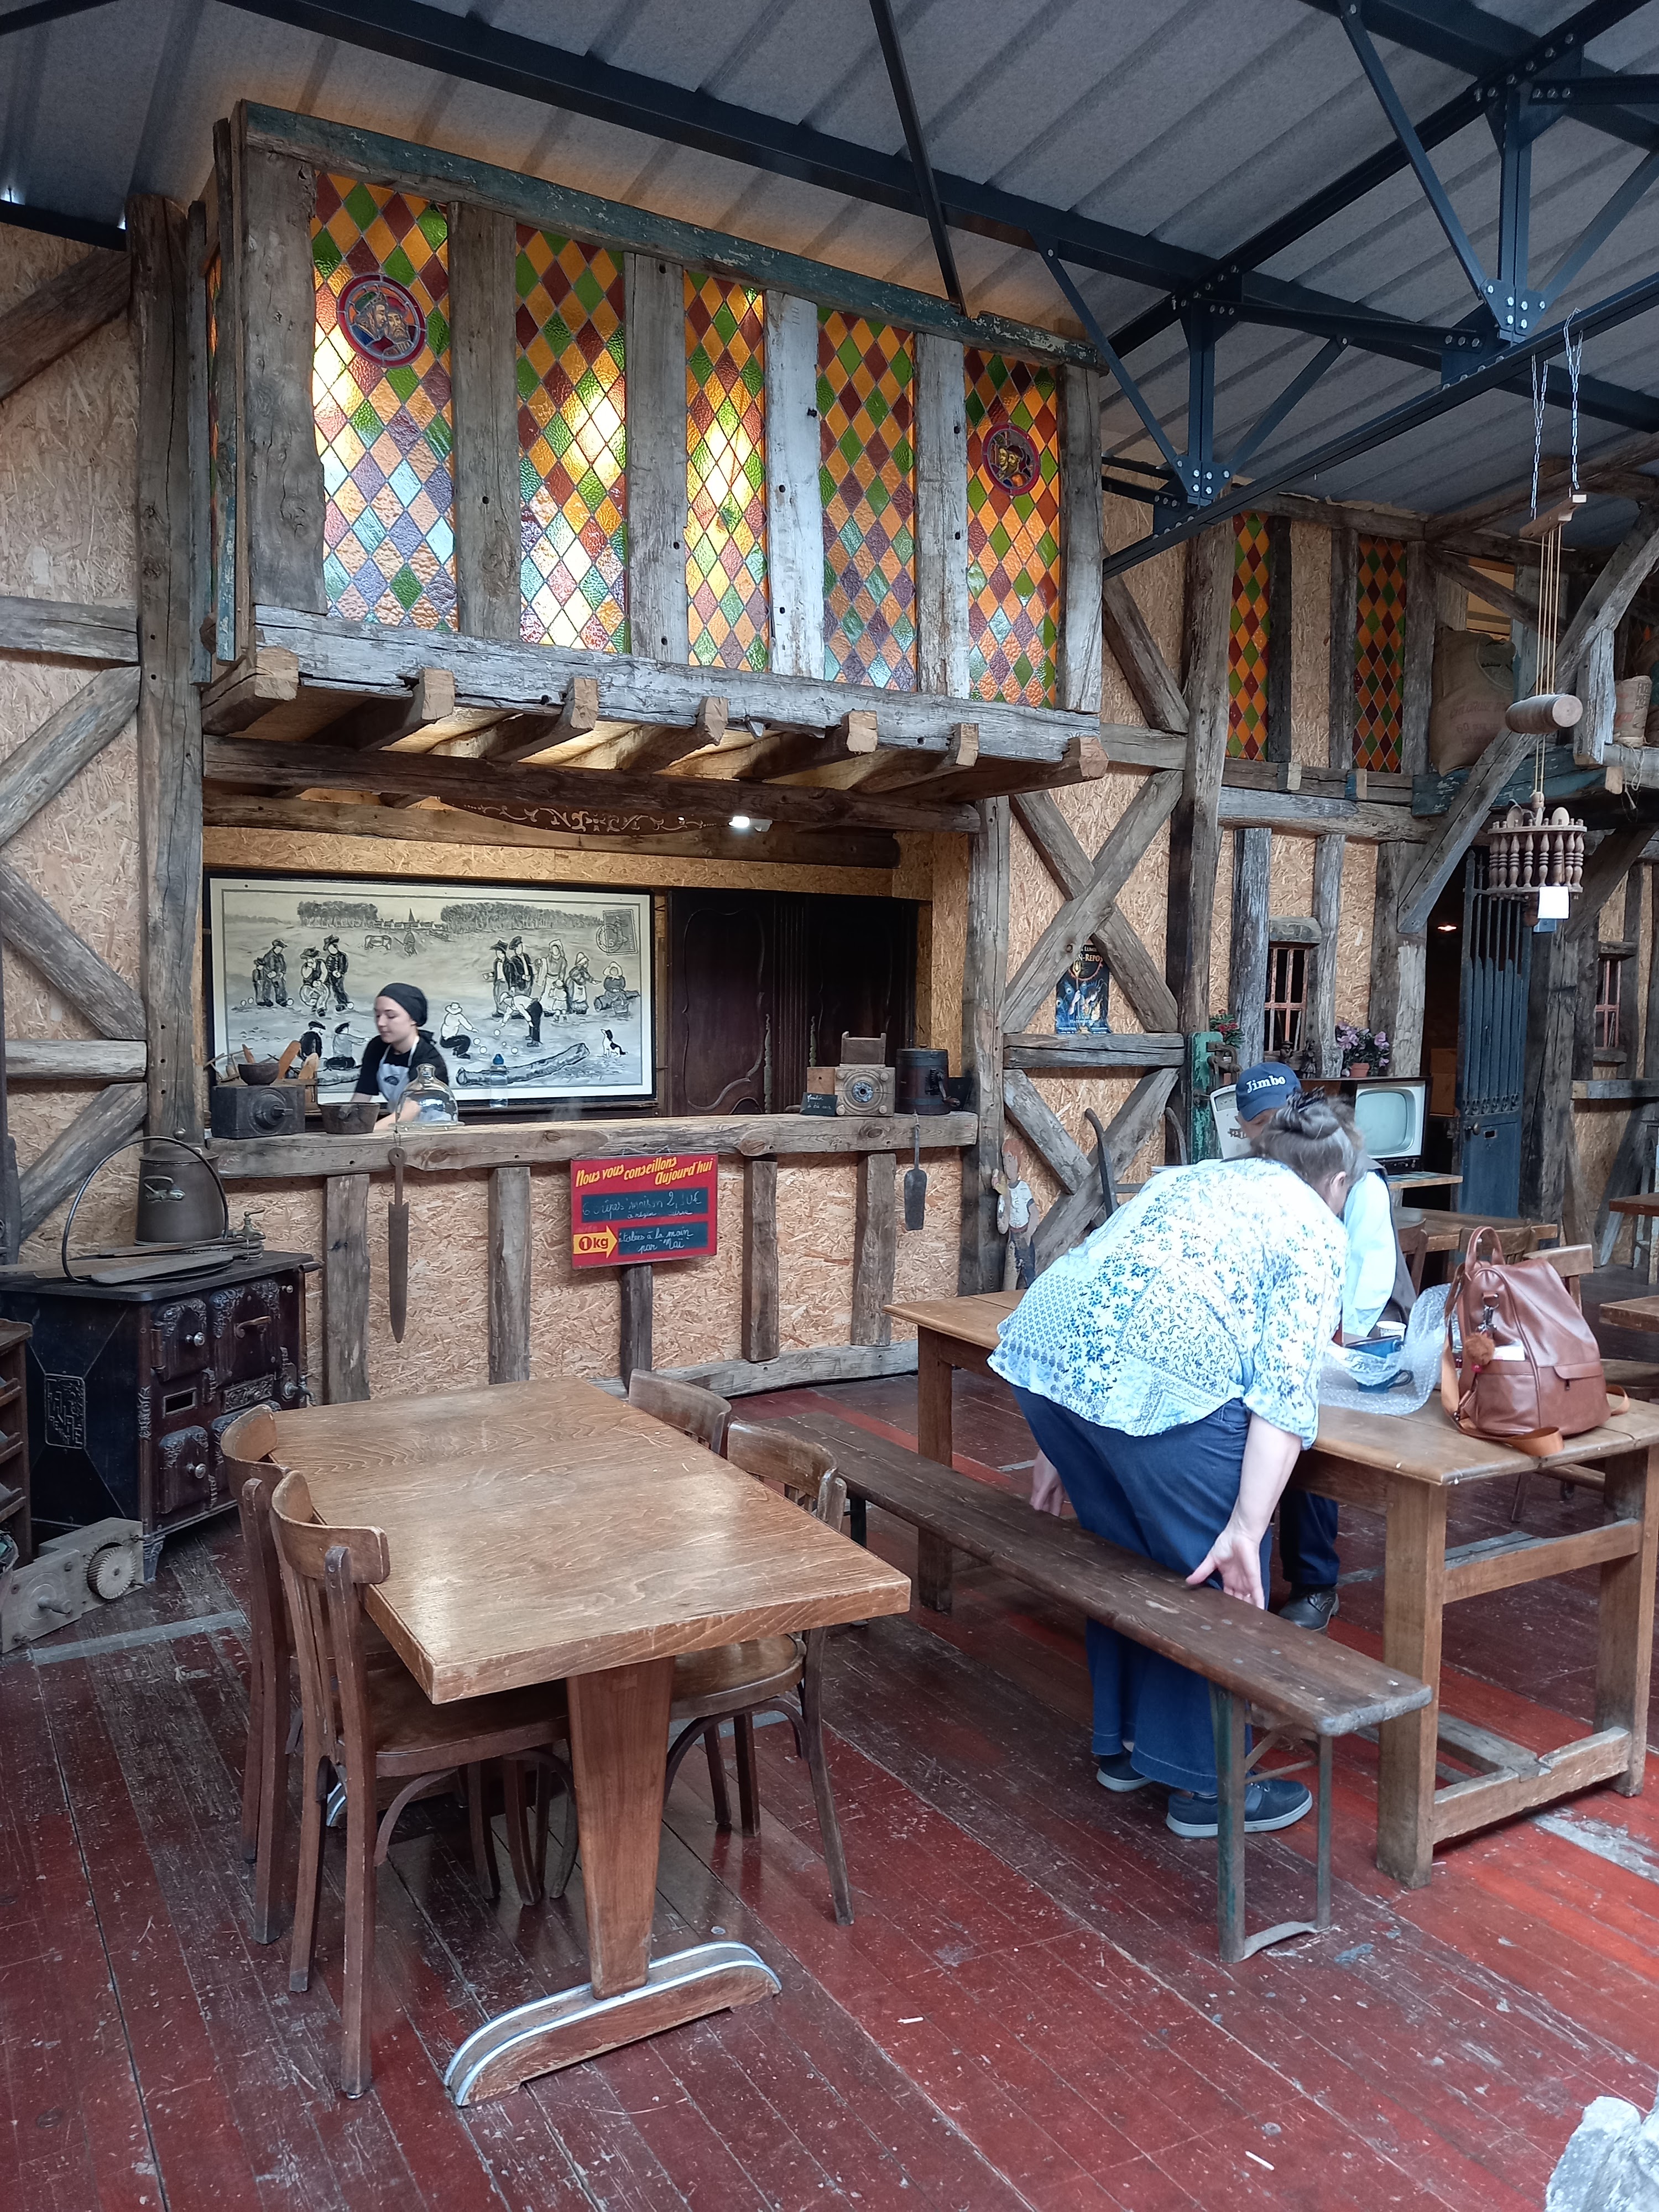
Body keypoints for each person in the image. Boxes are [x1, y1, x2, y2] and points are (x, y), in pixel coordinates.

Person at [990, 1095, 1358, 1838]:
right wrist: (1248, 1527)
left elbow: (1104, 1284)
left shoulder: (1192, 1178)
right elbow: (1284, 1394)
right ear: (1339, 1183)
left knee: (1125, 1562)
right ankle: (1208, 1789)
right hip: (1163, 1384)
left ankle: (1125, 1748)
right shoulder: (1317, 1226)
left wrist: (1055, 1450)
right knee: (1212, 1576)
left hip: (1050, 1361)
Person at [1232, 1062, 1415, 1632]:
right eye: (1257, 1123)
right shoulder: (1259, 1173)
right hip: (1297, 1324)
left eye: (1276, 1118)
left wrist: (1318, 1350)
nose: (1267, 1131)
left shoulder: (1357, 1179)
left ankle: (1316, 1583)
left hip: (1364, 1337)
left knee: (1305, 1426)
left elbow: (1366, 1280)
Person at [350, 983, 448, 1128]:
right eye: (378, 1015)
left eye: (391, 1016)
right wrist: (348, 1124)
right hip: (396, 1127)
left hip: (431, 1130)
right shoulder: (377, 1048)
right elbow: (362, 1097)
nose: (381, 1023)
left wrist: (367, 1133)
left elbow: (410, 1111)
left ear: (413, 1019)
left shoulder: (428, 1059)